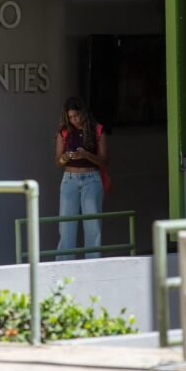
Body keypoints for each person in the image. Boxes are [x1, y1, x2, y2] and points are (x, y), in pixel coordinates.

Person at [54, 97, 108, 260]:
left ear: (83, 113)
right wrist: (66, 156)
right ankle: (64, 264)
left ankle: (93, 263)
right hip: (69, 179)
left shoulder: (97, 129)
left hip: (91, 178)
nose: (74, 120)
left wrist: (86, 155)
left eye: (76, 115)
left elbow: (105, 160)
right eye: (70, 117)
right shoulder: (64, 132)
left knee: (92, 225)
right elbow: (58, 162)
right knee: (66, 225)